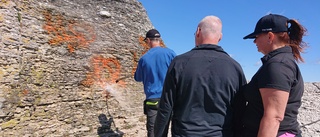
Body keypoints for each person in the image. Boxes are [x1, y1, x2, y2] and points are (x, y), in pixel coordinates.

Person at [154, 15, 247, 137]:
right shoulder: (235, 68)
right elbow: (240, 112)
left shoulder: (179, 63)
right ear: (220, 37)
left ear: (198, 31)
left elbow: (165, 107)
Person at [241, 14, 307, 137]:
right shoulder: (281, 62)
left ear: (270, 36)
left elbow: (274, 117)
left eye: (256, 36)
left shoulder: (277, 65)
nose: (255, 41)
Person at [134, 29, 176, 137]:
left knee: (153, 132)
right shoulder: (170, 53)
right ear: (159, 40)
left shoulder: (144, 59)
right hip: (170, 99)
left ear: (148, 40)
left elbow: (137, 78)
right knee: (175, 129)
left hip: (153, 101)